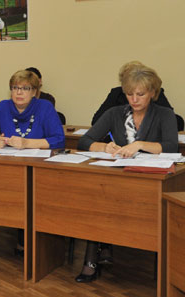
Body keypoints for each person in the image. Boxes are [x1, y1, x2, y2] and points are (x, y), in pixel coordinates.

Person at [75, 63, 178, 282]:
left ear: (152, 93)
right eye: (130, 94)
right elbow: (85, 141)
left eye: (140, 94)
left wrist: (139, 144)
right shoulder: (115, 113)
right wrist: (104, 147)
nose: (134, 99)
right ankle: (91, 259)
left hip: (151, 181)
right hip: (119, 177)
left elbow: (171, 146)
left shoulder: (165, 114)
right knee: (97, 201)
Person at [0, 70, 64, 248]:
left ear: (34, 91)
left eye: (25, 88)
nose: (19, 92)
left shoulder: (44, 107)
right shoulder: (3, 107)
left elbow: (59, 139)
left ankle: (27, 231)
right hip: (9, 168)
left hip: (38, 169)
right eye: (15, 88)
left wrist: (27, 143)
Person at [91, 60, 183, 131]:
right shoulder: (117, 93)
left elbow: (174, 122)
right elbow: (96, 121)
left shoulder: (153, 92)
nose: (134, 99)